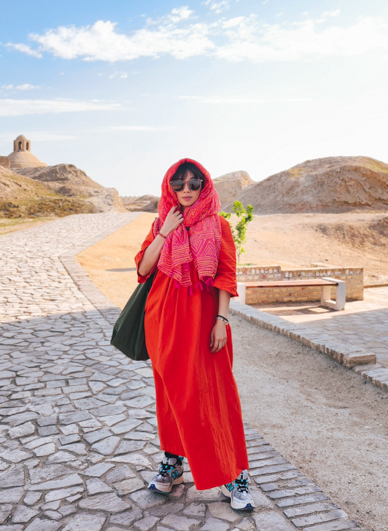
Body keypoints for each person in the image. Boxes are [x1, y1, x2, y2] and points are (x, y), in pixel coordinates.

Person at [135, 157, 254, 511]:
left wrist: (221, 319)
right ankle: (173, 464)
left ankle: (235, 475)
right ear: (169, 186)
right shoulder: (161, 221)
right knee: (172, 396)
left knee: (216, 395)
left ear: (204, 185)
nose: (186, 190)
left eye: (193, 183)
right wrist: (164, 232)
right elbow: (143, 268)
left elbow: (225, 277)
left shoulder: (218, 225)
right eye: (178, 183)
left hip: (205, 322)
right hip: (164, 321)